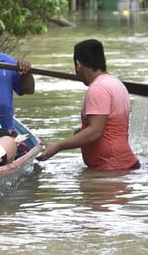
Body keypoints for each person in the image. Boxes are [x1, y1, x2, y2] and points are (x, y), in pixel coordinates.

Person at [37, 39, 140, 171]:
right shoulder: (115, 83)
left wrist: (58, 146)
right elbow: (111, 124)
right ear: (104, 59)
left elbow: (95, 131)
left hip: (110, 170)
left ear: (78, 64)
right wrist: (83, 130)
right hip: (122, 166)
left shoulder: (98, 88)